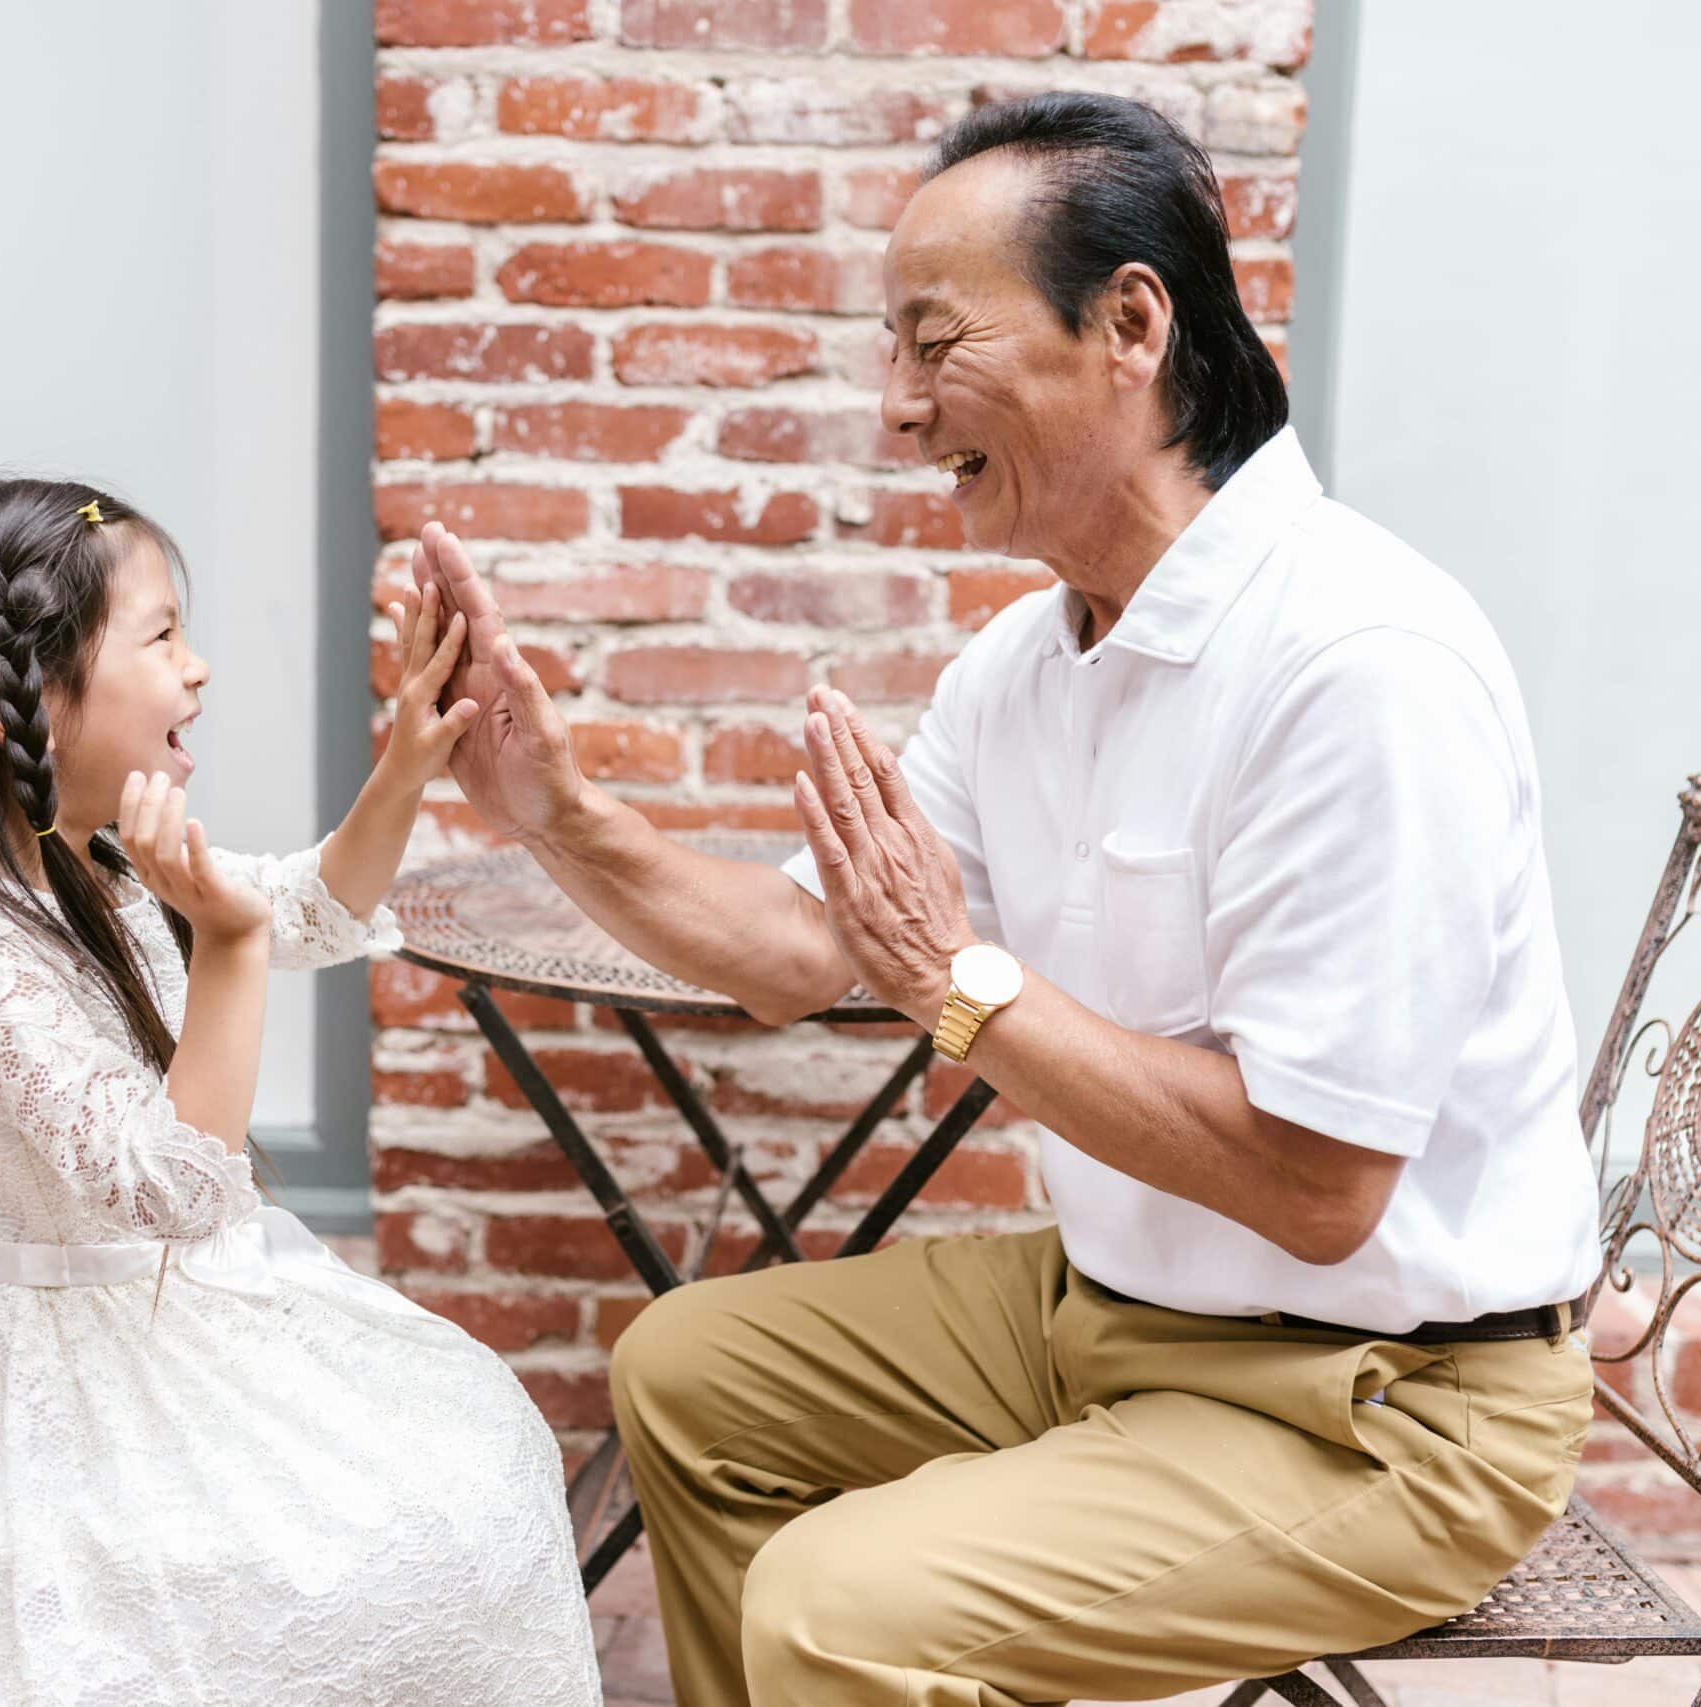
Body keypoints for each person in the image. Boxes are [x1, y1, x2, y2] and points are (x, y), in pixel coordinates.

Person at [408, 91, 1604, 1705]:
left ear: (1129, 324)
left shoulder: (1358, 666)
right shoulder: (1029, 664)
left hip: (1385, 1401)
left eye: (931, 342)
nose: (897, 409)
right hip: (1117, 1310)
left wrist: (964, 985)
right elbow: (798, 953)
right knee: (686, 1373)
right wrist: (556, 807)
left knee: (842, 1603)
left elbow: (1323, 1186)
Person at [0, 476, 601, 1705]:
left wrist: (406, 767)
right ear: (17, 706)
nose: (198, 669)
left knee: (475, 1443)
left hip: (143, 1322)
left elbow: (299, 902)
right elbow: (173, 1187)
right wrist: (227, 950)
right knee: (427, 1522)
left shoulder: (74, 864)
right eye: (161, 637)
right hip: (63, 1396)